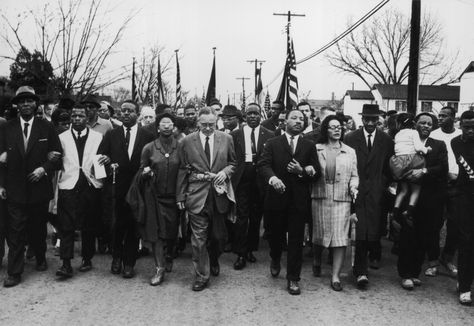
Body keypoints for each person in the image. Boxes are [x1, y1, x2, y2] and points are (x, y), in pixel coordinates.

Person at [0, 86, 62, 287]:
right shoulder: (7, 128)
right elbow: (1, 159)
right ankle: (14, 272)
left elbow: (57, 157)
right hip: (15, 188)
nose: (26, 104)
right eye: (22, 101)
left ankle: (41, 257)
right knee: (16, 231)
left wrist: (43, 169)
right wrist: (2, 184)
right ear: (16, 105)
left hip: (38, 188)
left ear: (36, 104)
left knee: (37, 229)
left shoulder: (47, 127)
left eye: (29, 101)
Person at [257, 109, 320, 295]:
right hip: (276, 200)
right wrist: (273, 179)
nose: (298, 121)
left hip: (298, 201)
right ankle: (275, 258)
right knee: (275, 237)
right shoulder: (272, 143)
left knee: (295, 239)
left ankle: (293, 278)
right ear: (285, 122)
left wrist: (303, 170)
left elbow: (316, 171)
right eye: (294, 118)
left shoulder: (309, 145)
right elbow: (263, 165)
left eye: (301, 119)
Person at [176, 107, 236, 291]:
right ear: (197, 123)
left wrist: (224, 173)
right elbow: (182, 169)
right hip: (197, 195)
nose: (208, 128)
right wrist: (180, 195)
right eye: (204, 125)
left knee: (219, 237)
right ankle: (202, 275)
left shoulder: (226, 138)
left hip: (218, 194)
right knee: (198, 239)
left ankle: (213, 259)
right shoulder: (186, 142)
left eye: (211, 124)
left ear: (216, 121)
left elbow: (233, 163)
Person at [97, 100, 154, 279]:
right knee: (116, 225)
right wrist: (106, 161)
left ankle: (129, 262)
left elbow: (153, 161)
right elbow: (100, 157)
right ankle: (116, 258)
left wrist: (148, 172)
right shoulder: (112, 135)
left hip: (138, 188)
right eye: (123, 111)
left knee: (133, 226)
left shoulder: (147, 135)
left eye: (130, 111)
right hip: (116, 188)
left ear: (137, 114)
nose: (126, 114)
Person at [396, 112, 448, 290]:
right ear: (415, 124)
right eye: (422, 122)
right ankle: (405, 274)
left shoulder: (438, 145)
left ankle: (415, 272)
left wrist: (424, 172)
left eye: (429, 123)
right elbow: (395, 161)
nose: (426, 126)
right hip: (409, 196)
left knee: (423, 237)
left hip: (429, 198)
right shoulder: (406, 141)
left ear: (433, 127)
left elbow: (442, 167)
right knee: (407, 237)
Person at [344, 104, 393, 289]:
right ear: (362, 119)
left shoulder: (386, 140)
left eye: (374, 119)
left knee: (375, 229)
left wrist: (383, 184)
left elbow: (390, 167)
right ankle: (361, 271)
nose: (371, 123)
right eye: (367, 119)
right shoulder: (350, 138)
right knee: (360, 229)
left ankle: (373, 257)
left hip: (377, 192)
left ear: (379, 119)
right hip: (356, 188)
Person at [131, 113, 180, 286]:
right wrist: (145, 173)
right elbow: (140, 171)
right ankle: (159, 268)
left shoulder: (181, 147)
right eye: (162, 124)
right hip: (154, 197)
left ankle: (169, 256)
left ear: (173, 126)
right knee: (157, 234)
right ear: (157, 127)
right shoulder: (149, 148)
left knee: (172, 232)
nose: (166, 127)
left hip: (175, 198)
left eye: (169, 124)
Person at [310, 115, 358, 291]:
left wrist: (354, 187)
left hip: (341, 199)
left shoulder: (350, 151)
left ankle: (335, 276)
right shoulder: (316, 149)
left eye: (339, 127)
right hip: (320, 196)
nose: (337, 129)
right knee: (319, 232)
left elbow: (354, 175)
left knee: (339, 237)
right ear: (325, 130)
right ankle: (316, 259)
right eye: (332, 127)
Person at [55, 104, 104, 278]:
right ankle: (66, 263)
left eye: (80, 116)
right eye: (74, 116)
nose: (77, 119)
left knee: (89, 224)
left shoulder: (97, 137)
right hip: (68, 184)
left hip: (90, 184)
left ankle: (87, 258)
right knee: (66, 224)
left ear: (87, 117)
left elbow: (102, 158)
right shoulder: (62, 137)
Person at [230, 103, 274, 270]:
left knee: (256, 217)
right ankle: (240, 253)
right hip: (243, 177)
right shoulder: (236, 134)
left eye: (256, 113)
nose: (253, 116)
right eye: (250, 114)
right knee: (242, 216)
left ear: (260, 116)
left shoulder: (269, 134)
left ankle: (250, 249)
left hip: (261, 177)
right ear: (245, 116)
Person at [428, 106, 461, 277]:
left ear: (453, 118)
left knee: (455, 223)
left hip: (458, 184)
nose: (440, 118)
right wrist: (444, 172)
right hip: (438, 183)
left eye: (445, 116)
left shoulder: (461, 135)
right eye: (439, 115)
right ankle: (432, 260)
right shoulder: (433, 135)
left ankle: (447, 257)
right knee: (435, 222)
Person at [389, 113, 432, 228]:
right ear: (413, 124)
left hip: (398, 163)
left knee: (403, 190)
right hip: (412, 161)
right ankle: (408, 211)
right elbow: (418, 147)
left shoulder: (397, 134)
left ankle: (395, 211)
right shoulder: (414, 132)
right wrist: (427, 150)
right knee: (416, 189)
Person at [450, 110, 474, 305]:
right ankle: (465, 286)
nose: (471, 130)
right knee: (466, 241)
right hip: (465, 196)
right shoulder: (455, 143)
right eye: (467, 127)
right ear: (461, 126)